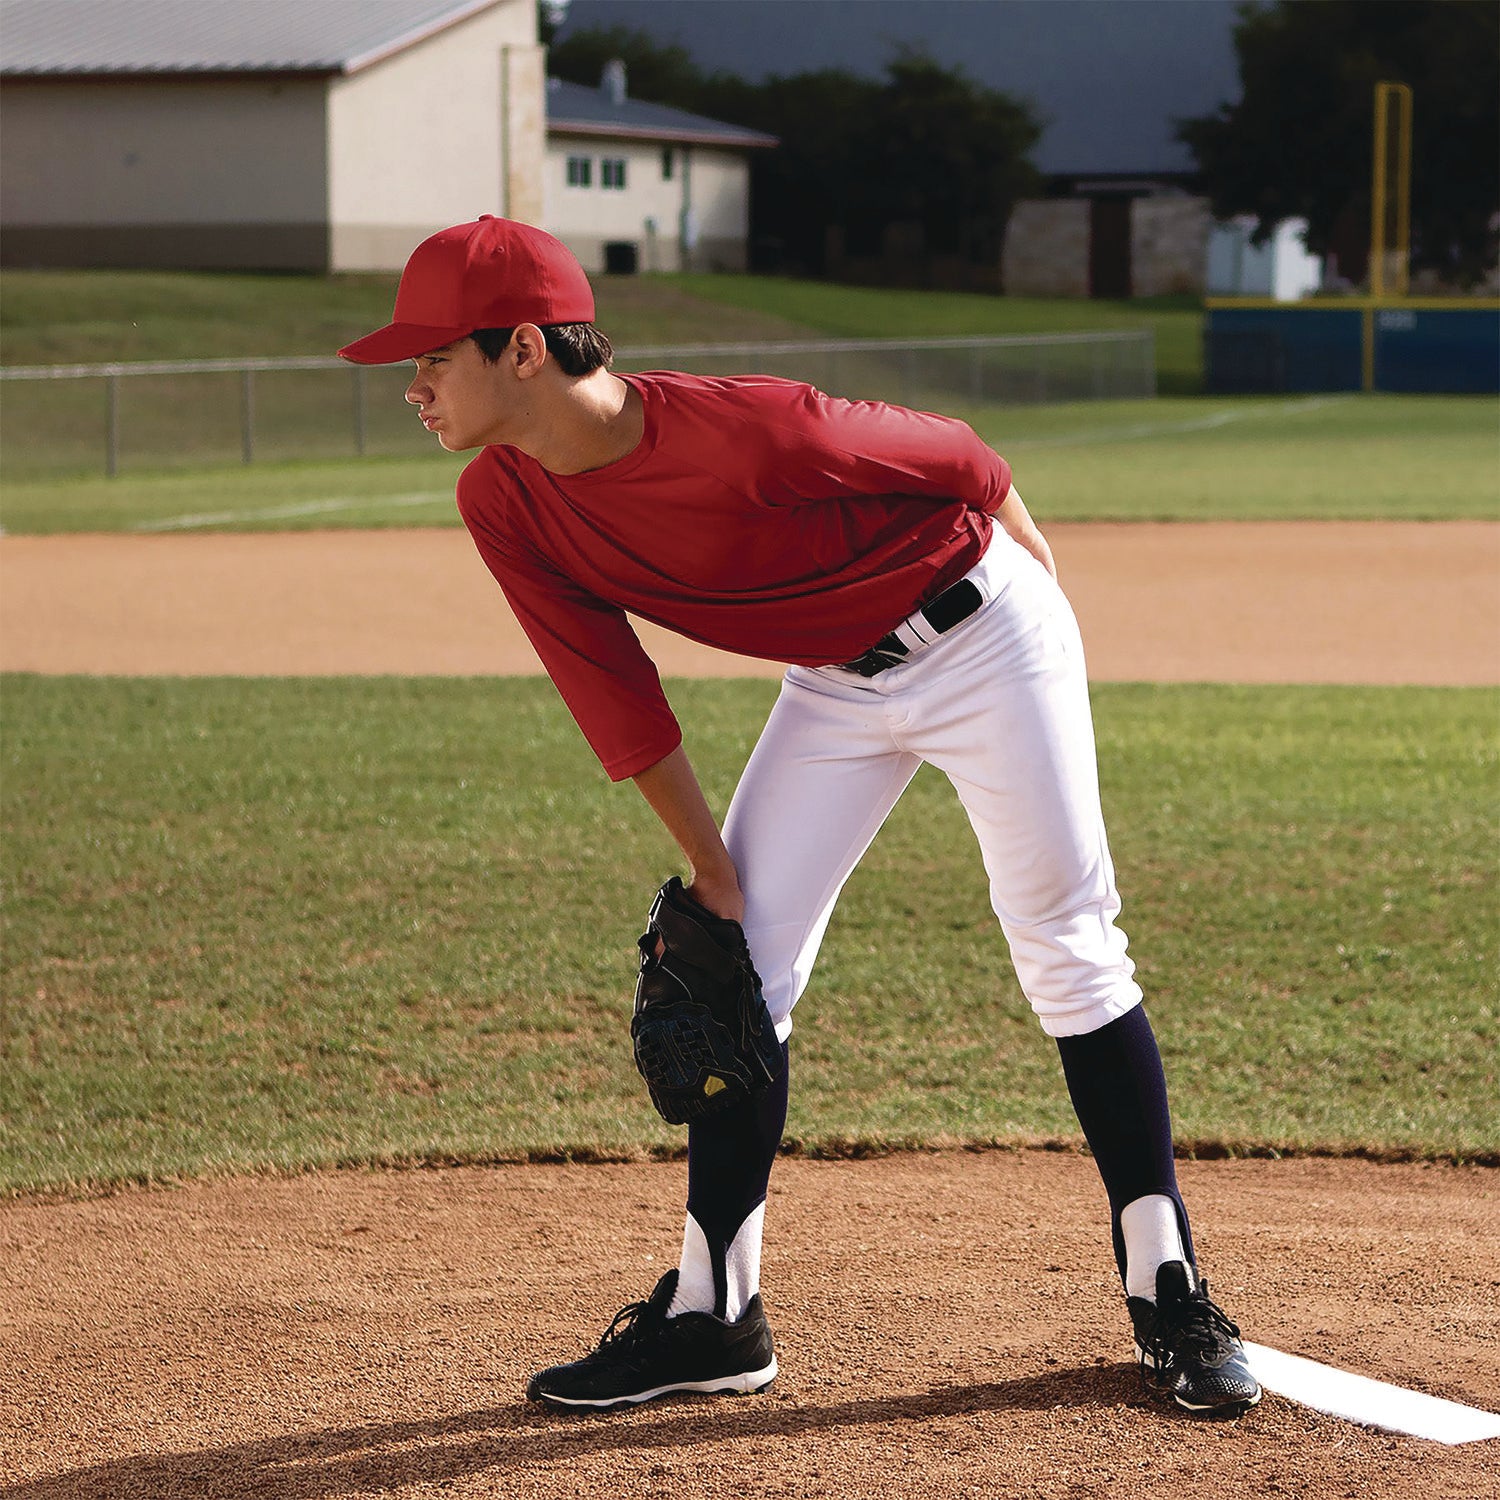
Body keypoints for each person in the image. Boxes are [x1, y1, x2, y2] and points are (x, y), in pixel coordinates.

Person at [339, 215, 1261, 1419]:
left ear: (522, 349)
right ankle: (714, 1315)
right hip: (832, 684)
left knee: (1066, 948)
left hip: (980, 637)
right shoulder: (502, 500)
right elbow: (610, 689)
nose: (410, 387)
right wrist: (707, 868)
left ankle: (1170, 1289)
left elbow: (966, 459)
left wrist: (1032, 590)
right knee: (730, 971)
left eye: (430, 360)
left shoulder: (743, 426)